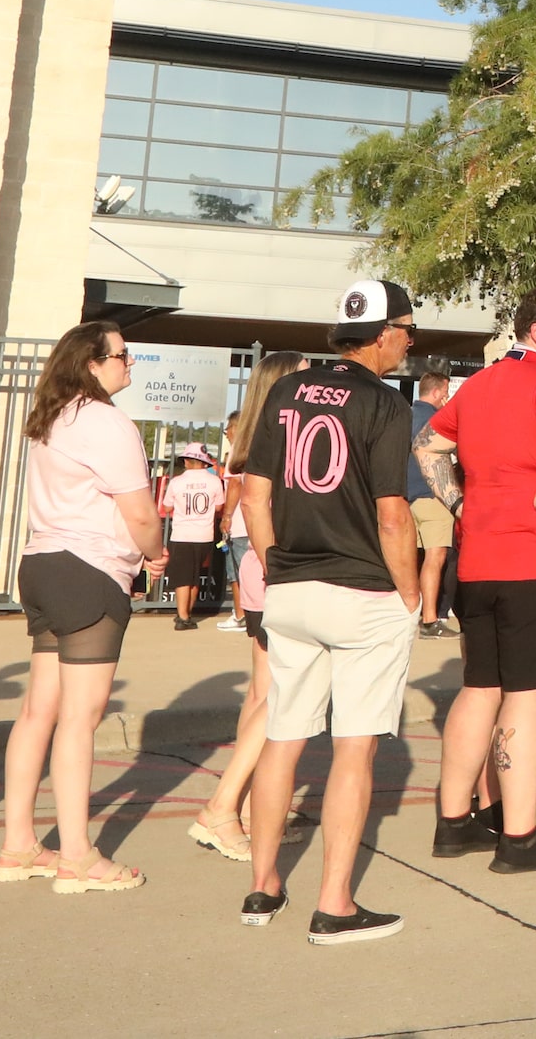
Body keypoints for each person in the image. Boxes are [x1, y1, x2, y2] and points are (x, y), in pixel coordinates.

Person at [240, 280, 424, 941]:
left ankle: (262, 888)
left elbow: (254, 497)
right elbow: (393, 514)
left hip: (291, 585)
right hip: (363, 589)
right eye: (407, 328)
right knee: (354, 749)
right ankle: (335, 903)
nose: (409, 341)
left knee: (283, 736)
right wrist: (411, 594)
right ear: (382, 334)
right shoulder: (384, 402)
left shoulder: (288, 388)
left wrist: (274, 565)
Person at [416, 285, 536, 873]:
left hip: (479, 559)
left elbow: (428, 445)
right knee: (526, 696)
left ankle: (453, 824)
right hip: (534, 559)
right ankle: (519, 838)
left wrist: (462, 504)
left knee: (478, 688)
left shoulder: (481, 383)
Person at [0, 320, 162, 894]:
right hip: (90, 568)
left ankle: (19, 844)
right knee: (80, 718)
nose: (130, 364)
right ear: (92, 364)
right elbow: (140, 512)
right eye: (122, 355)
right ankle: (77, 856)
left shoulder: (51, 418)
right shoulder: (107, 422)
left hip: (42, 563)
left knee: (38, 711)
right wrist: (157, 555)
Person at [190, 350, 309, 859]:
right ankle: (221, 806)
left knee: (262, 694)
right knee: (283, 697)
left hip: (261, 573)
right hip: (279, 570)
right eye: (305, 377)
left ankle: (244, 806)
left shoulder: (256, 438)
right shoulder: (284, 438)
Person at [406, 369, 458, 638]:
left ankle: (409, 613)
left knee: (411, 558)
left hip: (405, 496)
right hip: (432, 495)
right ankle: (429, 619)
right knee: (435, 557)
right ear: (437, 392)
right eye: (445, 393)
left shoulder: (404, 416)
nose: (447, 398)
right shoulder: (439, 419)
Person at [162, 444, 225, 630]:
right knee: (196, 575)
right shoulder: (215, 481)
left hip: (182, 534)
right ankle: (187, 613)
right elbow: (220, 506)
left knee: (183, 577)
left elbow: (166, 507)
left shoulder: (176, 482)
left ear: (187, 461)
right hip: (204, 535)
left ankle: (182, 617)